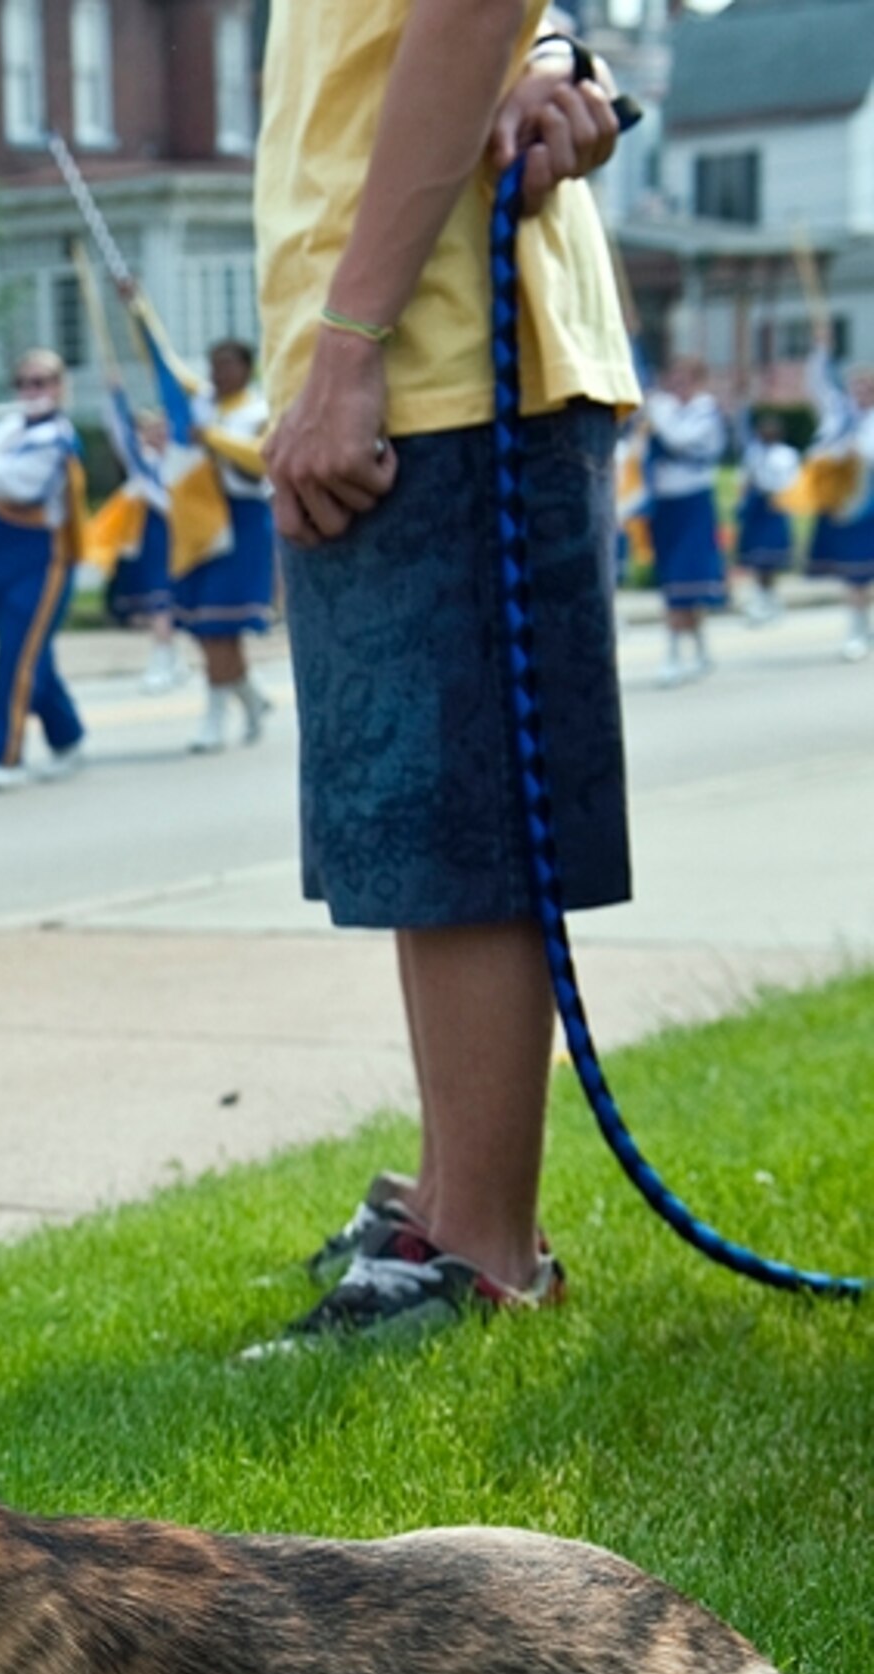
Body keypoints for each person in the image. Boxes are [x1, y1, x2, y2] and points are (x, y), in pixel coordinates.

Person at [255, 1, 630, 1345]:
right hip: (411, 339)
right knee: (422, 830)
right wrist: (549, 54)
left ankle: (479, 1257)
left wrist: (349, 347)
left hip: (442, 346)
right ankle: (459, 1211)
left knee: (461, 829)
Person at [0, 349, 87, 791]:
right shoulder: (7, 429)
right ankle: (68, 737)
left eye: (42, 382)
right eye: (24, 383)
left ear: (60, 388)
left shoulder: (57, 437)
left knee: (14, 659)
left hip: (41, 562)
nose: (32, 392)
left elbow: (8, 482)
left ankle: (4, 756)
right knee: (33, 655)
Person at [136, 327, 277, 753]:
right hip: (199, 521)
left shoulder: (257, 410)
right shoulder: (201, 403)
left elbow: (260, 460)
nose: (217, 373)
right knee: (205, 625)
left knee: (220, 624)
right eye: (213, 365)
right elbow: (166, 365)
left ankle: (215, 715)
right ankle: (250, 696)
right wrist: (138, 308)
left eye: (227, 365)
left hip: (241, 523)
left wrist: (211, 438)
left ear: (246, 368)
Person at [637, 354, 730, 688]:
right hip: (663, 505)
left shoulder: (705, 413)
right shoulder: (667, 410)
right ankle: (700, 649)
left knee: (683, 579)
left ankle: (673, 655)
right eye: (672, 379)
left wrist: (657, 410)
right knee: (673, 583)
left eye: (684, 379)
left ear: (698, 382)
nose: (676, 386)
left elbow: (679, 439)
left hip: (693, 503)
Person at [95, 391, 182, 690]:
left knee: (174, 607)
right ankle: (165, 660)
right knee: (159, 605)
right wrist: (116, 394)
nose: (155, 435)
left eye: (161, 429)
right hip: (153, 543)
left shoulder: (181, 463)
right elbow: (122, 436)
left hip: (180, 540)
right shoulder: (144, 465)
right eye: (149, 430)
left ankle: (172, 661)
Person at [798, 352, 874, 663]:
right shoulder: (840, 414)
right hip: (847, 503)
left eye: (866, 387)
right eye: (856, 386)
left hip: (870, 497)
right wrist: (820, 351)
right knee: (854, 573)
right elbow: (816, 387)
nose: (860, 392)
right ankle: (857, 630)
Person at [733, 410, 800, 627]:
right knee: (755, 557)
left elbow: (791, 481)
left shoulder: (786, 454)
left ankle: (771, 600)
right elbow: (744, 479)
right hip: (756, 507)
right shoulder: (753, 453)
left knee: (770, 558)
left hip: (775, 506)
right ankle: (761, 599)